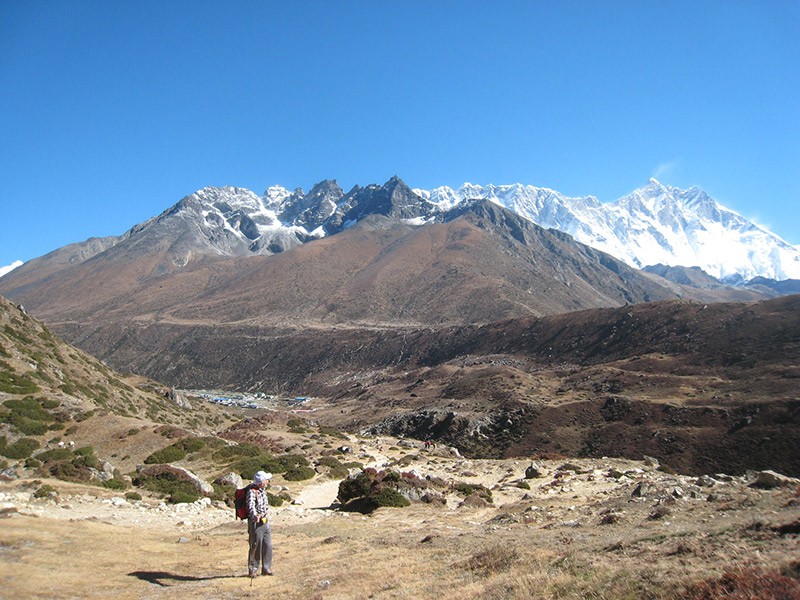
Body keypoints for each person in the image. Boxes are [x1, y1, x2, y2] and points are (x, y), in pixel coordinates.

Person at [246, 470, 273, 577]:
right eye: (266, 479)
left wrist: (266, 513)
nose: (268, 481)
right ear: (262, 482)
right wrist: (255, 516)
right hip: (256, 523)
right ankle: (253, 569)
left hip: (265, 521)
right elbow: (250, 505)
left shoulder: (263, 490)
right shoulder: (252, 492)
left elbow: (265, 505)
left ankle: (266, 567)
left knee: (268, 545)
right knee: (256, 546)